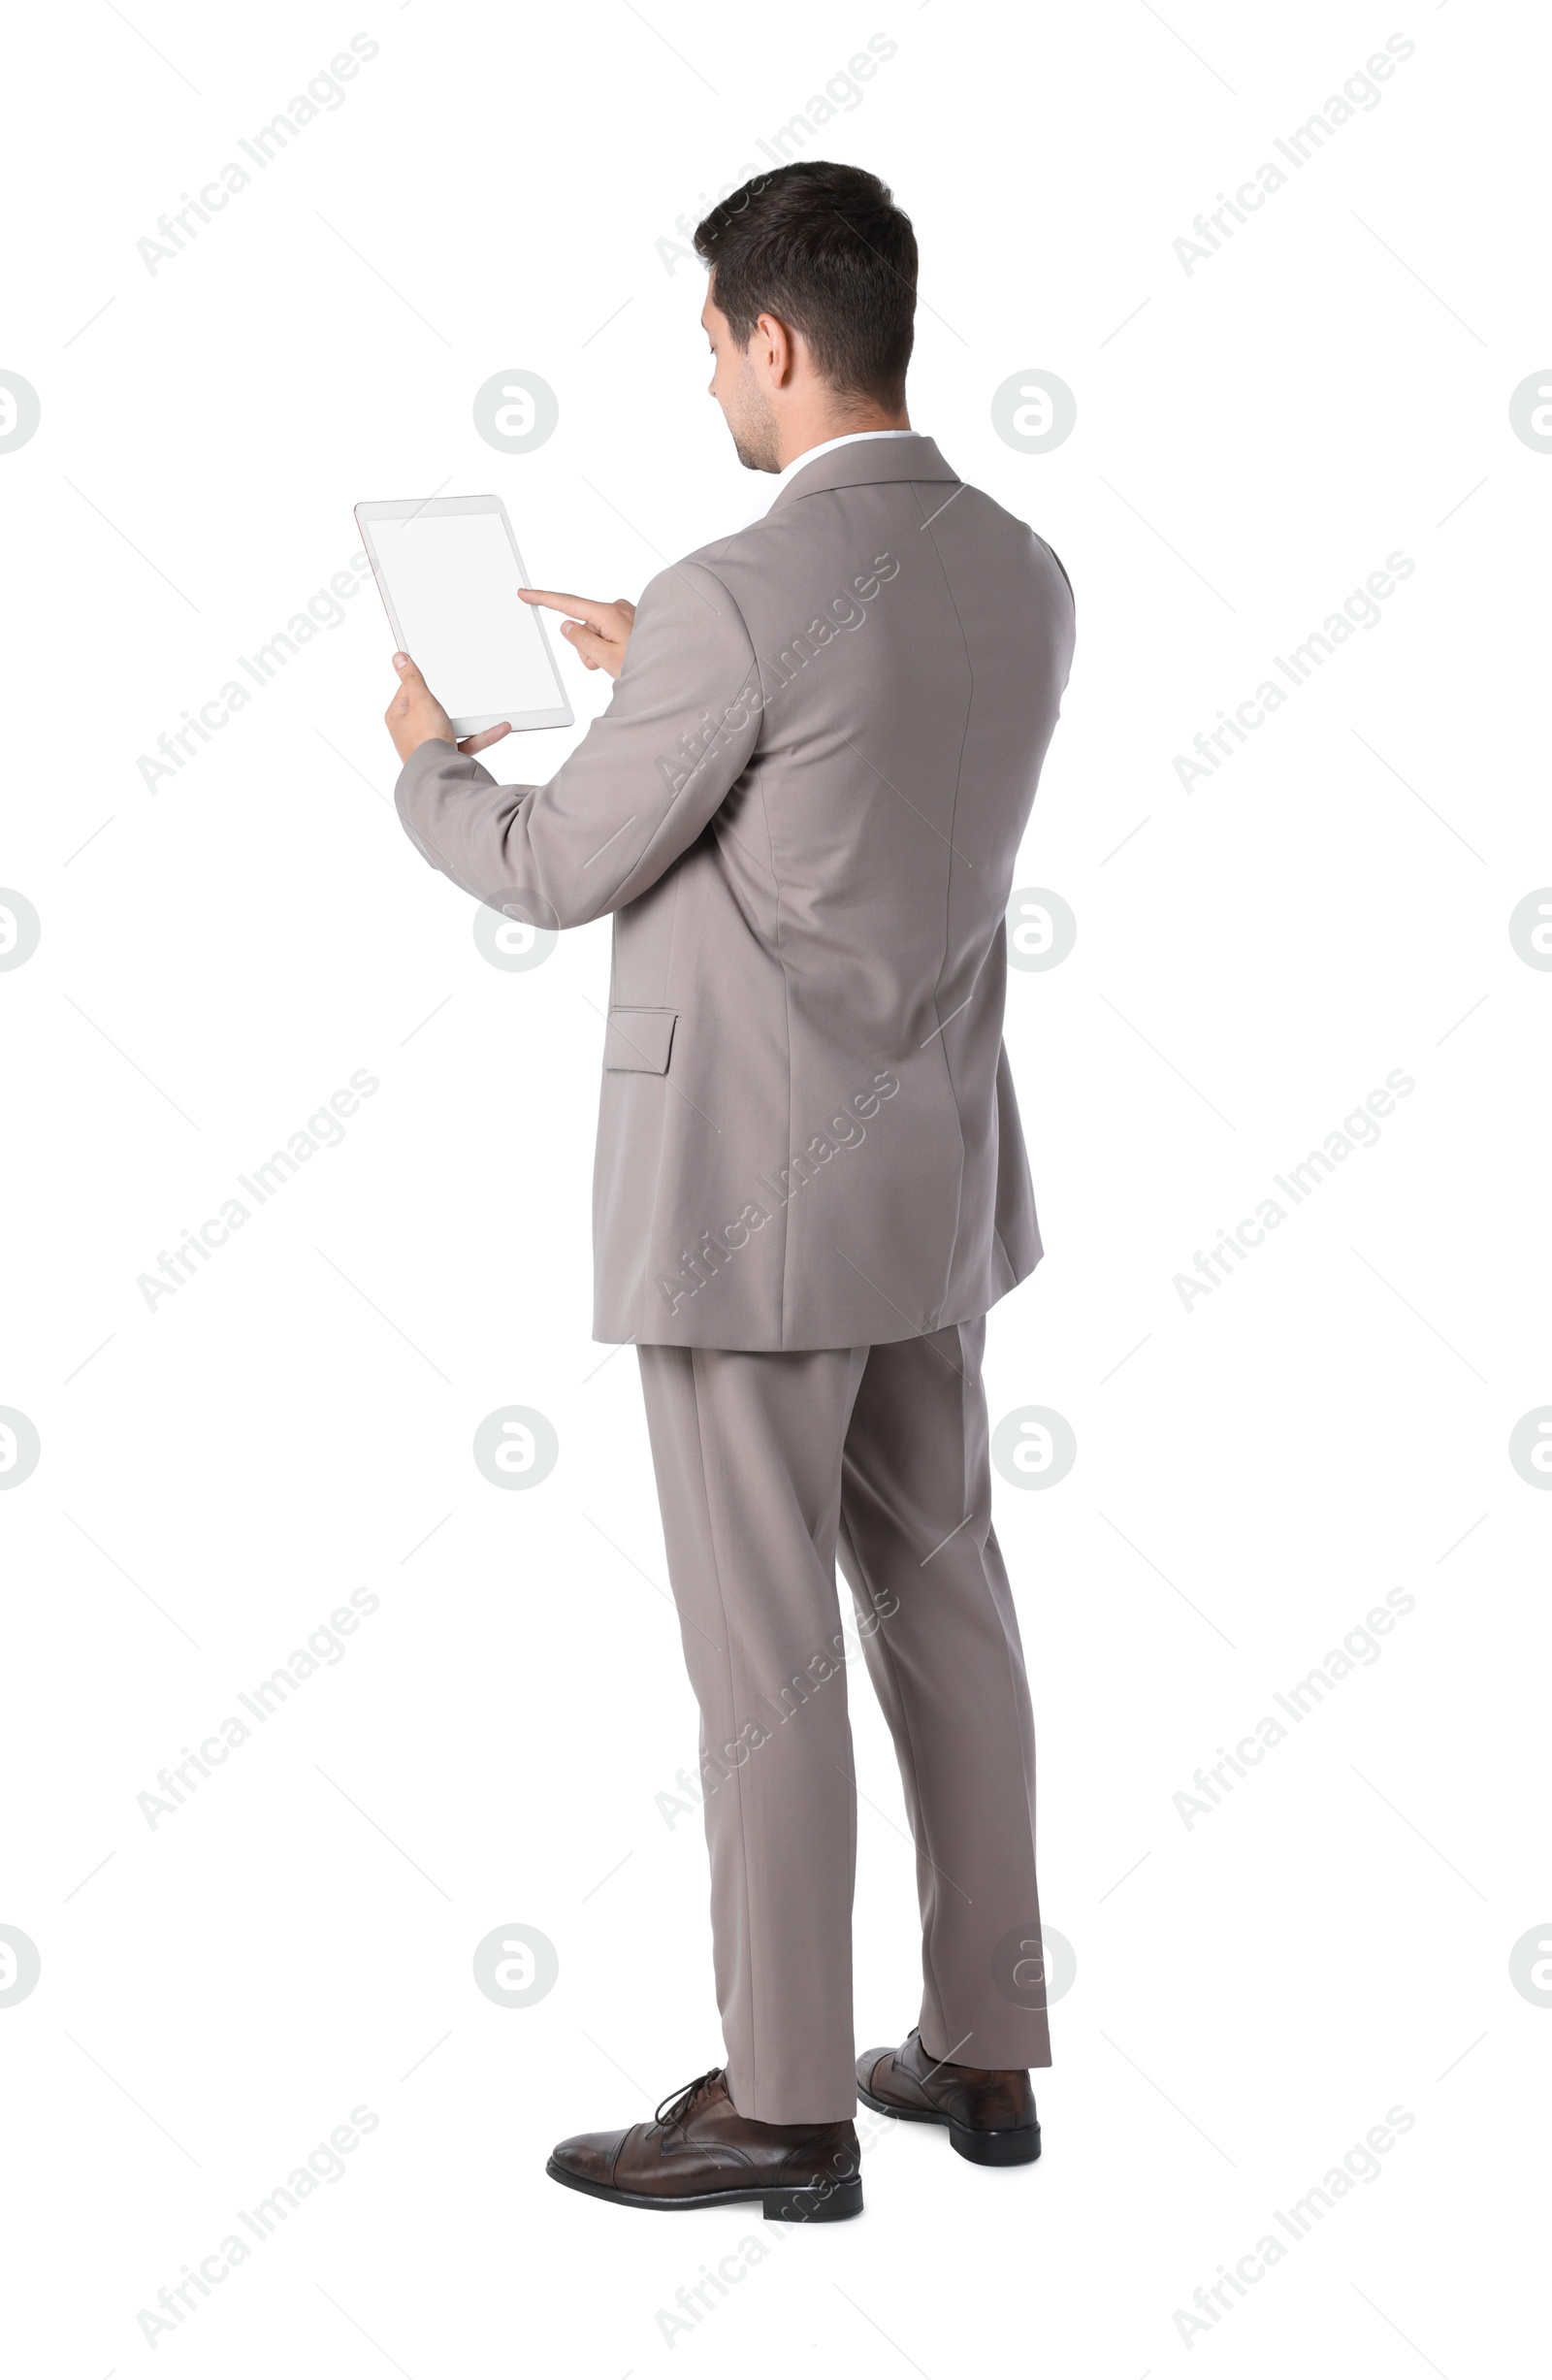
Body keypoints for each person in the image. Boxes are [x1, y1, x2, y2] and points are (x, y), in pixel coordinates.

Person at [382, 160, 1075, 2223]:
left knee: (762, 1662)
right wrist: (656, 668)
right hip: (929, 1192)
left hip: (747, 1218)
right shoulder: (1017, 565)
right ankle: (983, 2047)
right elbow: (841, 793)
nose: (705, 380)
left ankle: (784, 2102)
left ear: (775, 340)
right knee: (946, 1607)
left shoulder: (735, 594)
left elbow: (552, 865)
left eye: (707, 343)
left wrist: (434, 757)